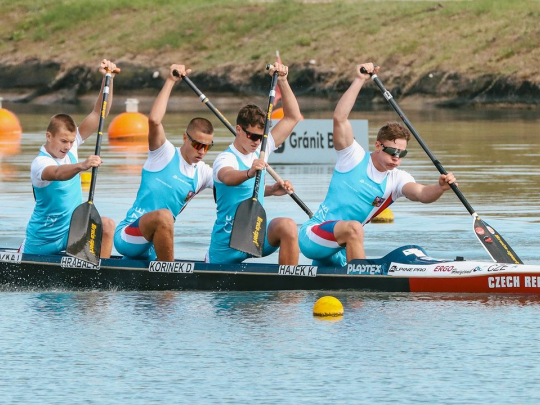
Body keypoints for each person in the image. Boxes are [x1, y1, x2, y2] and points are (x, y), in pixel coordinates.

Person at [299, 63, 458, 267]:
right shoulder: (353, 156)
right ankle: (361, 288)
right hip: (313, 235)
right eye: (392, 152)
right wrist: (359, 80)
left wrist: (440, 187)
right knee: (356, 228)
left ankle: (356, 283)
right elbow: (339, 118)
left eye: (402, 154)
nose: (396, 158)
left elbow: (422, 194)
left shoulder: (397, 179)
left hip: (339, 249)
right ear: (378, 146)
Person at [114, 64, 214, 261]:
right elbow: (154, 121)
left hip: (153, 246)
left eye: (207, 146)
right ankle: (170, 279)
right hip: (129, 236)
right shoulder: (163, 153)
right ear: (185, 138)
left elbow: (233, 182)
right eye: (197, 144)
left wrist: (268, 186)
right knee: (164, 216)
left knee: (165, 218)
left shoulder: (203, 173)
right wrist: (170, 81)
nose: (201, 151)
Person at [20, 59, 118, 257]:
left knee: (107, 225)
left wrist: (108, 79)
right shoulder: (40, 163)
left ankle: (100, 277)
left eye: (71, 142)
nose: (68, 146)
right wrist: (81, 166)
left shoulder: (72, 147)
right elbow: (57, 173)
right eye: (63, 141)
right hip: (42, 242)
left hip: (70, 234)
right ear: (49, 136)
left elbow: (99, 113)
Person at [208, 63, 302, 265]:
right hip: (227, 244)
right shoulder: (225, 158)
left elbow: (293, 117)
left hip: (254, 235)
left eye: (261, 137)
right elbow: (228, 178)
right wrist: (250, 172)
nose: (257, 141)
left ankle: (290, 288)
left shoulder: (262, 149)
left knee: (287, 226)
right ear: (239, 129)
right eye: (252, 135)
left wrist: (283, 80)